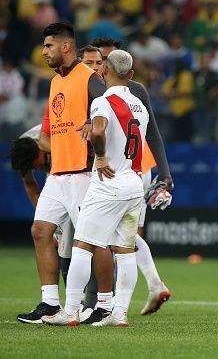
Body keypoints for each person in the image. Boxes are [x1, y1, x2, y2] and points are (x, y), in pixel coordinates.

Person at [42, 50, 148, 327]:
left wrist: (99, 156)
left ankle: (71, 310)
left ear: (104, 71)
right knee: (124, 250)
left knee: (82, 245)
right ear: (132, 75)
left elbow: (99, 130)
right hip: (133, 182)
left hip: (109, 182)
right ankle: (120, 313)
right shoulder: (140, 106)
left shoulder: (102, 101)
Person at [16, 22, 106, 324]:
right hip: (57, 174)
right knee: (40, 231)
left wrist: (94, 128)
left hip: (82, 173)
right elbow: (47, 135)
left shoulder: (90, 79)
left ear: (66, 47)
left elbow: (107, 115)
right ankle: (50, 303)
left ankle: (104, 305)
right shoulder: (56, 83)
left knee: (94, 241)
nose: (44, 52)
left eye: (49, 46)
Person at [91, 37, 172, 316]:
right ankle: (150, 284)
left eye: (102, 61)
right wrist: (165, 171)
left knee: (104, 236)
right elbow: (154, 134)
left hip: (119, 170)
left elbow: (153, 134)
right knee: (126, 235)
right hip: (139, 171)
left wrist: (166, 172)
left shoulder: (101, 89)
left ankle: (103, 302)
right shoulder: (136, 89)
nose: (100, 66)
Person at [9, 125, 73, 287]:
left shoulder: (52, 140)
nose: (36, 167)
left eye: (35, 163)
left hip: (74, 162)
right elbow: (30, 184)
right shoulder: (24, 152)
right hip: (55, 172)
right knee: (49, 232)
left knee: (76, 232)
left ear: (39, 150)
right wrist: (47, 219)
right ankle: (53, 300)